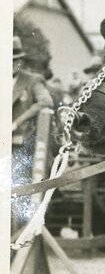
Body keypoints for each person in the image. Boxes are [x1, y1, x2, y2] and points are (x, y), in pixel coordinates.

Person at [11, 35, 54, 227]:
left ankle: (17, 239)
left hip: (22, 143)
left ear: (20, 61)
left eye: (14, 61)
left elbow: (46, 101)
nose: (10, 64)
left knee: (18, 192)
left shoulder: (32, 80)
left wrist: (17, 122)